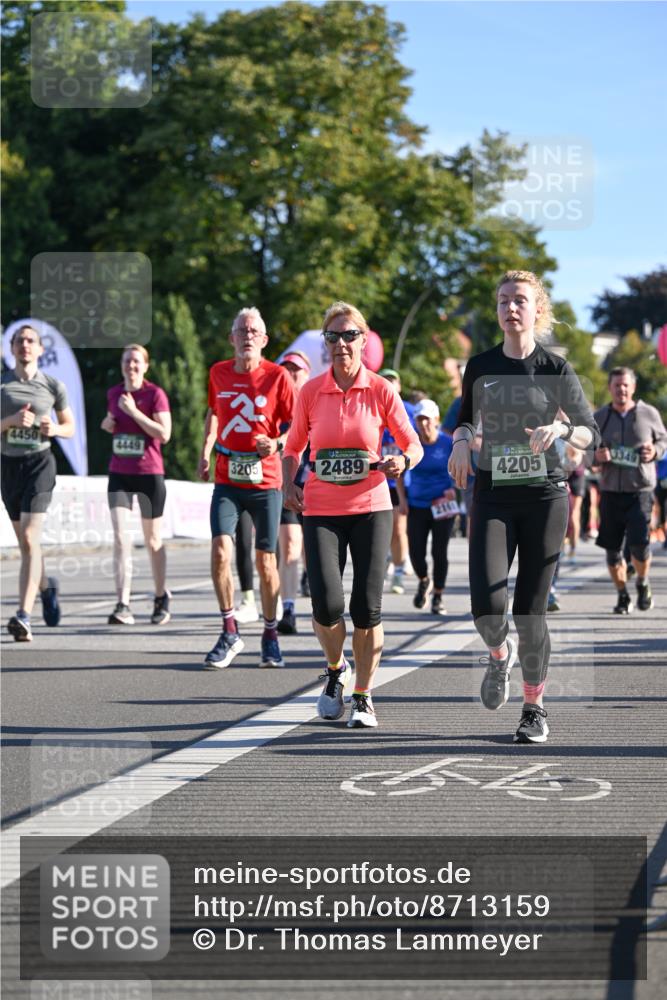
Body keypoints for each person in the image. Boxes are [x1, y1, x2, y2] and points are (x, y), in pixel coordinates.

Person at [449, 270, 598, 745]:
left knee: (531, 612)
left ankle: (533, 707)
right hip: (493, 494)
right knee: (488, 608)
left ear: (537, 310)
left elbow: (590, 432)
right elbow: (465, 422)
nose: (510, 308)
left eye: (519, 301)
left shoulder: (555, 370)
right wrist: (459, 442)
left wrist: (561, 430)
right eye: (502, 301)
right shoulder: (481, 366)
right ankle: (498, 656)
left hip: (545, 496)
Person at [283, 301, 422, 729]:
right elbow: (293, 447)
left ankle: (362, 695)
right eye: (332, 336)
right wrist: (289, 482)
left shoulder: (381, 389)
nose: (341, 343)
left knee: (367, 607)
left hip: (371, 508)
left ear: (363, 340)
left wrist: (403, 461)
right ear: (324, 343)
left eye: (349, 335)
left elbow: (411, 442)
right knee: (326, 604)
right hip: (321, 507)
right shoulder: (310, 391)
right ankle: (335, 669)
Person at [199, 307, 295, 669]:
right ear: (232, 338)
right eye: (241, 330)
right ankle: (229, 629)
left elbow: (296, 425)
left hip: (266, 480)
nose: (248, 336)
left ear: (264, 340)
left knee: (265, 561)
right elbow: (213, 415)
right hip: (227, 477)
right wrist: (205, 452)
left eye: (254, 331)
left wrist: (277, 443)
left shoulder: (278, 376)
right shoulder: (218, 373)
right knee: (221, 551)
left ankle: (270, 634)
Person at [1, 325, 75, 641]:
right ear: (12, 348)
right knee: (26, 544)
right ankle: (46, 587)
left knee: (31, 537)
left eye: (31, 341)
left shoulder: (53, 385)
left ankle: (23, 616)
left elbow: (70, 427)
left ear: (41, 350)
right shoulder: (2, 384)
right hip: (8, 466)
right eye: (19, 341)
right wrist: (10, 422)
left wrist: (54, 429)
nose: (25, 345)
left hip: (40, 464)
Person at [101, 344, 172, 625]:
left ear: (145, 366)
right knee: (120, 537)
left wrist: (134, 412)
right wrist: (108, 423)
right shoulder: (113, 393)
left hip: (148, 473)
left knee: (152, 540)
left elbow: (164, 434)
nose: (131, 366)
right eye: (126, 361)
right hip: (119, 472)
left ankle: (160, 596)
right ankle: (122, 604)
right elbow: (113, 425)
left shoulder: (155, 394)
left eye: (136, 362)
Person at [593, 367, 667, 613]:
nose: (621, 389)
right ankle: (623, 595)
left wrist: (654, 451)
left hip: (640, 491)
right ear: (609, 388)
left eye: (625, 385)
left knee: (639, 545)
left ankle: (643, 582)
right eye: (616, 385)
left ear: (633, 388)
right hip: (611, 492)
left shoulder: (648, 413)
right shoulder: (600, 417)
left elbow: (663, 441)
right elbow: (586, 452)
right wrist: (596, 456)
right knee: (613, 552)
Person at [407, 399, 455, 615]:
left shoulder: (448, 443)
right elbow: (400, 472)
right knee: (416, 552)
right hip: (417, 504)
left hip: (442, 504)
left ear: (436, 419)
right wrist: (401, 499)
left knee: (439, 551)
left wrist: (455, 488)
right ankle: (424, 579)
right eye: (420, 419)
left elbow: (459, 468)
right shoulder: (411, 443)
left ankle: (438, 595)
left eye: (427, 419)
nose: (424, 424)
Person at [277, 350, 312, 635]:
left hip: (320, 487)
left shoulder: (318, 401)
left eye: (296, 370)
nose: (290, 375)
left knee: (312, 549)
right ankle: (288, 609)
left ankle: (310, 577)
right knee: (288, 545)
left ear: (307, 374)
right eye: (285, 370)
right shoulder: (276, 409)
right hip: (288, 484)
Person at [377, 368, 414, 594]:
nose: (389, 385)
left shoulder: (408, 410)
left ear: (399, 386)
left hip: (400, 482)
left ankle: (398, 573)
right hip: (376, 481)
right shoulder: (371, 406)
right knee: (379, 532)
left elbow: (418, 445)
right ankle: (381, 569)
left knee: (399, 530)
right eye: (385, 381)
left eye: (393, 381)